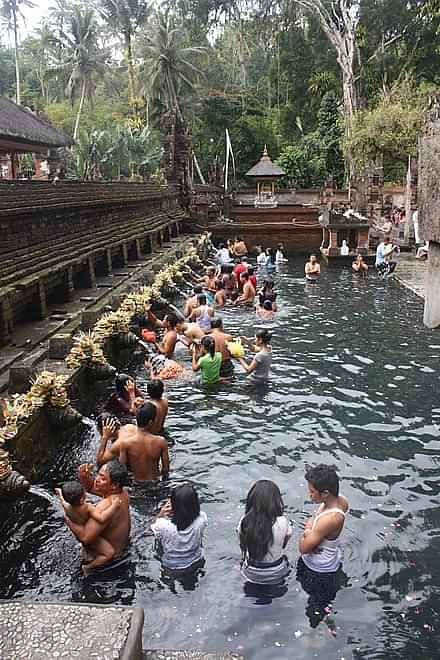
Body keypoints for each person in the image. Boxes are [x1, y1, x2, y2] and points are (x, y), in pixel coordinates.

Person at [297, 464, 349, 627]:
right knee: (323, 599)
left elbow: (303, 548)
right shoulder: (341, 500)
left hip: (318, 569)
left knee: (315, 603)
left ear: (325, 493)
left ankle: (316, 625)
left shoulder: (330, 519)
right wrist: (313, 528)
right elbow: (317, 522)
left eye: (312, 491)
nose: (309, 494)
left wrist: (307, 531)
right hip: (331, 559)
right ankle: (322, 618)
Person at [64, 459, 130, 572]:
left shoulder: (104, 507)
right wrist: (85, 478)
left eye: (103, 478)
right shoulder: (123, 493)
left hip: (105, 564)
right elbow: (92, 489)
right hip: (122, 554)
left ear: (114, 485)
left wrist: (68, 521)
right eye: (98, 474)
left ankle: (88, 569)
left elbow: (85, 538)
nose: (97, 480)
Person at [57, 481, 121, 575]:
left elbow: (62, 500)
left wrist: (60, 493)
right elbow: (101, 518)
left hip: (78, 534)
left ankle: (88, 553)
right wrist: (114, 506)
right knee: (109, 553)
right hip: (92, 539)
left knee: (88, 546)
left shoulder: (67, 507)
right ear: (82, 499)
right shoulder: (87, 508)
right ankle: (88, 567)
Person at [96, 404, 169, 481]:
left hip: (136, 484)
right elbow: (165, 470)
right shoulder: (161, 441)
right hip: (156, 481)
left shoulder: (123, 443)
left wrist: (105, 437)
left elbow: (101, 463)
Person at [238, 480, 291, 584]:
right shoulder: (283, 521)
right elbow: (284, 544)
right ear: (276, 501)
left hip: (251, 571)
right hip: (276, 570)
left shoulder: (244, 521)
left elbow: (242, 544)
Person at [151, 484, 208, 573]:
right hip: (196, 561)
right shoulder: (202, 519)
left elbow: (150, 530)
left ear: (174, 506)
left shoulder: (163, 525)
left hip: (171, 567)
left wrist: (161, 514)